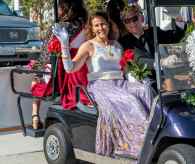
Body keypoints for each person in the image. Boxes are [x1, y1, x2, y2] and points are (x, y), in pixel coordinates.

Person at [52, 12, 153, 160]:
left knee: (146, 90)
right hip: (100, 86)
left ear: (108, 25)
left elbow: (124, 69)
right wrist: (64, 44)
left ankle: (155, 134)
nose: (101, 28)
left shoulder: (117, 44)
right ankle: (136, 146)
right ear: (92, 28)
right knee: (130, 100)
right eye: (97, 25)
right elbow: (70, 68)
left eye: (103, 24)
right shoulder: (88, 46)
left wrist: (137, 78)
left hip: (121, 83)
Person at [30, 0, 89, 129]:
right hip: (82, 68)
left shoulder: (58, 27)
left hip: (60, 73)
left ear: (64, 8)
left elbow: (45, 53)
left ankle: (35, 115)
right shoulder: (86, 24)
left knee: (36, 77)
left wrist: (37, 72)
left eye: (59, 7)